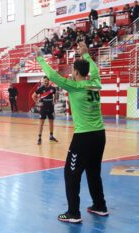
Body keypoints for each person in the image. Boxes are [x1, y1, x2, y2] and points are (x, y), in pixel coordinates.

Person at [33, 42, 108, 223]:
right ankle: (100, 205)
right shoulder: (95, 83)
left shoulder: (75, 86)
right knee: (93, 171)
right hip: (100, 135)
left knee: (71, 173)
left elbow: (50, 75)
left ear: (75, 72)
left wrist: (39, 57)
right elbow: (95, 71)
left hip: (84, 137)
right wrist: (87, 55)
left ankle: (73, 213)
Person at [32, 76, 58, 145]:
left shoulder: (53, 88)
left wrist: (54, 101)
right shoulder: (40, 88)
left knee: (51, 122)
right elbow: (33, 96)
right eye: (44, 81)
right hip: (43, 108)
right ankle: (39, 138)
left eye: (46, 81)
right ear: (43, 81)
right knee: (41, 123)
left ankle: (51, 136)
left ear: (49, 81)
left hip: (50, 108)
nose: (45, 82)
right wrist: (37, 102)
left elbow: (55, 95)